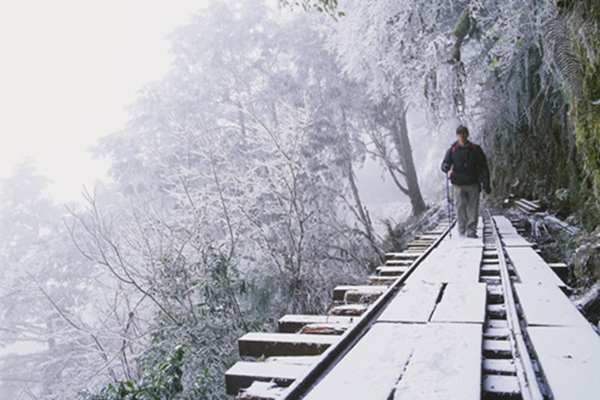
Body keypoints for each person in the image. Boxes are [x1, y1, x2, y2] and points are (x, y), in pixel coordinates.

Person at [441, 125, 490, 238]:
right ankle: (462, 231)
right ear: (457, 136)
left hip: (473, 183)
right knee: (460, 208)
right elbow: (445, 163)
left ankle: (471, 231)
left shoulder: (476, 149)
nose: (462, 136)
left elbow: (483, 167)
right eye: (459, 134)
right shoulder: (452, 150)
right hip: (458, 184)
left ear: (467, 135)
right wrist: (445, 166)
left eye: (463, 133)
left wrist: (485, 182)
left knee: (473, 208)